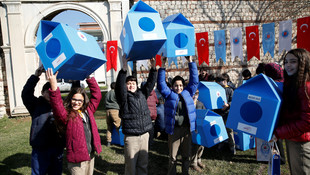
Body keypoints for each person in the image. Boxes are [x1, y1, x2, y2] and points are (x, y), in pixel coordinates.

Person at [46, 68, 102, 175]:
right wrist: (54, 85)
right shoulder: (67, 115)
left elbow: (97, 96)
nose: (76, 103)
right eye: (74, 99)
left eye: (79, 100)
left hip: (90, 155)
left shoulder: (88, 111)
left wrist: (89, 79)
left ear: (83, 101)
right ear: (70, 99)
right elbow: (57, 106)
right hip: (77, 159)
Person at [115, 54, 157, 175]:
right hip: (131, 137)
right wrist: (123, 68)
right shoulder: (123, 98)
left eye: (133, 83)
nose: (131, 85)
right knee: (131, 166)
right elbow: (119, 88)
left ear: (137, 85)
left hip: (145, 135)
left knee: (143, 164)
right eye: (128, 83)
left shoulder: (143, 94)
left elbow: (150, 83)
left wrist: (153, 67)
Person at [157, 55, 199, 175]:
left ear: (183, 86)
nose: (178, 87)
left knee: (186, 155)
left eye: (180, 85)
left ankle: (185, 172)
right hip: (174, 130)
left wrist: (190, 62)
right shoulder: (169, 95)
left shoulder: (188, 92)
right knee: (173, 157)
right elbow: (160, 83)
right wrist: (163, 65)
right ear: (172, 86)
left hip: (186, 130)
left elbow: (194, 80)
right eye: (176, 85)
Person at [22, 66, 65, 175]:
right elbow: (26, 94)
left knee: (55, 172)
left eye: (52, 91)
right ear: (42, 92)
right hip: (40, 147)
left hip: (57, 146)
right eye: (47, 91)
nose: (50, 94)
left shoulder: (61, 106)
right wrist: (36, 76)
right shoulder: (36, 105)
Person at [273, 48, 310, 175]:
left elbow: (306, 122)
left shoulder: (305, 87)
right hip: (293, 138)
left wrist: (278, 133)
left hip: (301, 142)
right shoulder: (294, 84)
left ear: (303, 63)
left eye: (293, 62)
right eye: (286, 62)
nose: (288, 65)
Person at [264, 62, 286, 164]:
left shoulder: (272, 85)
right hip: (285, 115)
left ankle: (279, 158)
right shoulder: (285, 83)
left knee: (275, 137)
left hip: (274, 115)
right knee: (279, 137)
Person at [215, 73, 235, 155]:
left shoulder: (230, 90)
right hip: (219, 113)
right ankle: (221, 144)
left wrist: (228, 105)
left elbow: (233, 101)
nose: (219, 83)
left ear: (225, 81)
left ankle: (232, 147)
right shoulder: (217, 90)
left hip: (227, 113)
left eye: (221, 81)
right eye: (219, 81)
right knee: (220, 130)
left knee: (229, 131)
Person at [190, 89, 206, 172]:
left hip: (200, 128)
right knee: (194, 146)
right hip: (191, 128)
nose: (194, 96)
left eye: (196, 94)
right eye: (193, 94)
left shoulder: (200, 103)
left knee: (201, 145)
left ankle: (199, 159)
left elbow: (205, 113)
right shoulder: (188, 103)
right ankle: (193, 163)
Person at [104, 82, 121, 147]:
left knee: (109, 127)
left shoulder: (107, 93)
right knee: (118, 125)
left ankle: (108, 141)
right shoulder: (116, 93)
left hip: (107, 110)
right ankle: (122, 140)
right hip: (115, 110)